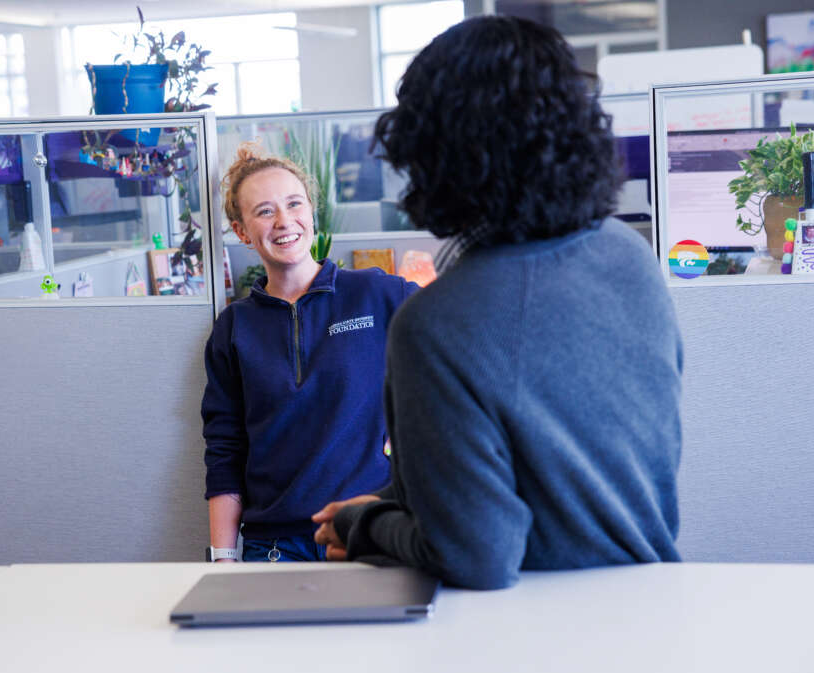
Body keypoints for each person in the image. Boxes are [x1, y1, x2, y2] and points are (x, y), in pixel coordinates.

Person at [313, 16, 684, 589]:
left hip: (526, 640)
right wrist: (400, 499)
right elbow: (567, 470)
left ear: (434, 154)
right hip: (651, 609)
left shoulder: (439, 325)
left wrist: (366, 522)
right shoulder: (629, 259)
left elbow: (476, 556)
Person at [202, 144, 418, 563]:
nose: (284, 221)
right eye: (264, 211)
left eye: (294, 203)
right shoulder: (234, 328)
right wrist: (222, 559)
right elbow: (224, 450)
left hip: (371, 532)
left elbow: (458, 349)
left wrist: (412, 431)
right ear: (242, 231)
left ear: (311, 212)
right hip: (276, 546)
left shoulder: (379, 294)